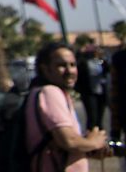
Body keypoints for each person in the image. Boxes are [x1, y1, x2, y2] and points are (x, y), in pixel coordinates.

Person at [24, 41, 108, 172]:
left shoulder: (46, 92)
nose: (70, 71)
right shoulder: (50, 92)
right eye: (61, 65)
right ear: (45, 69)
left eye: (73, 65)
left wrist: (87, 147)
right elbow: (69, 141)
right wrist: (95, 142)